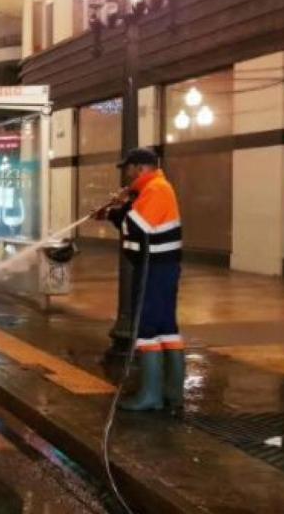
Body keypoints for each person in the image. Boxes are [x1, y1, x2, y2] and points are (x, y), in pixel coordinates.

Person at [95, 148, 184, 413]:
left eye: (128, 168)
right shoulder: (153, 189)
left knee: (146, 329)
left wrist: (116, 209)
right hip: (160, 268)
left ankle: (151, 395)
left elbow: (135, 226)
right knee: (166, 329)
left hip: (153, 269)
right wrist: (118, 208)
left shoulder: (156, 189)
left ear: (140, 168)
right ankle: (171, 392)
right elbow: (133, 220)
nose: (126, 173)